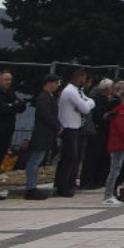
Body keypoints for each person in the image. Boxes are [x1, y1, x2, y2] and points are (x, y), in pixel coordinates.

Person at [53, 69, 94, 197]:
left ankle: (70, 182)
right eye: (84, 78)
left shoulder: (78, 91)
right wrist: (86, 104)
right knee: (69, 157)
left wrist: (87, 103)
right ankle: (63, 186)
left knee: (74, 157)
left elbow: (90, 102)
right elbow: (85, 108)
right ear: (79, 77)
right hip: (69, 127)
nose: (84, 81)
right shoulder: (70, 91)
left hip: (76, 127)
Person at [0, 71, 28, 200]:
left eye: (10, 79)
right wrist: (13, 105)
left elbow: (21, 106)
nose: (8, 82)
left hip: (6, 133)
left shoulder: (10, 93)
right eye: (6, 79)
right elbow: (1, 108)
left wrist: (13, 105)